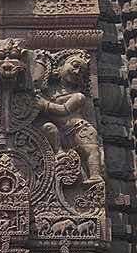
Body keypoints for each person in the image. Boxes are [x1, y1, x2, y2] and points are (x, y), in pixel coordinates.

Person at [37, 53, 103, 186]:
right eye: (74, 65)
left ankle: (95, 176)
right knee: (47, 127)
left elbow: (63, 110)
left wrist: (45, 105)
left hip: (80, 130)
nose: (78, 72)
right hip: (62, 133)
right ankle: (59, 153)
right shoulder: (48, 91)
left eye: (82, 71)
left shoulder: (79, 96)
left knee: (90, 151)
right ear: (60, 67)